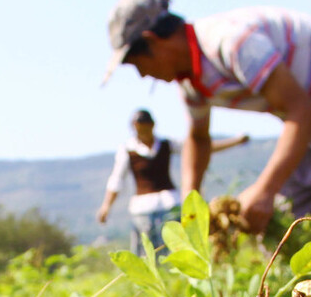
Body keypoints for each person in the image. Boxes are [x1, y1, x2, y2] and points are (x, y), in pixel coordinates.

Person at [102, 0, 311, 279]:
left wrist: (265, 190)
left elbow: (301, 110)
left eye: (137, 64)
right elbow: (198, 138)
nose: (142, 75)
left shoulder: (230, 42)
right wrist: (192, 209)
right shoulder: (192, 82)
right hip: (310, 124)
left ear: (152, 41)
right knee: (290, 233)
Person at [97, 108, 247, 255]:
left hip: (169, 204)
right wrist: (106, 206)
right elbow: (116, 180)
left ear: (152, 125)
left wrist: (235, 141)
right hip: (142, 208)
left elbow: (200, 148)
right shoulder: (127, 150)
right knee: (147, 252)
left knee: (176, 250)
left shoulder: (166, 145)